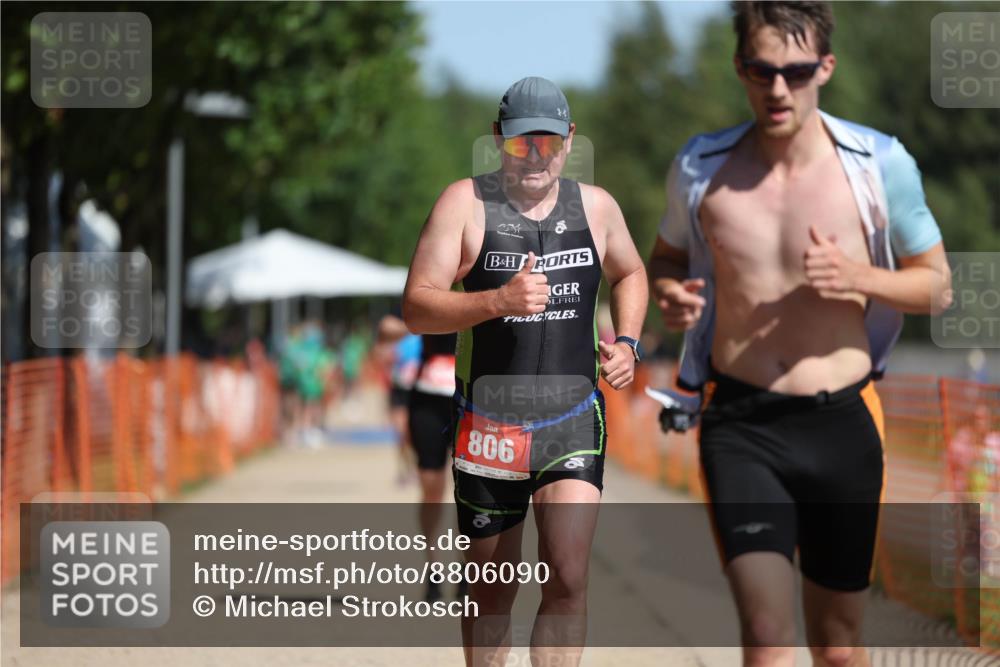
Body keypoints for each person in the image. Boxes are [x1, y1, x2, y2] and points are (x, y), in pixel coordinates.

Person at [648, 3, 951, 666]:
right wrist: (670, 292)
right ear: (740, 68)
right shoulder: (701, 169)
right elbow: (665, 258)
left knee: (838, 645)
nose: (778, 88)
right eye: (762, 70)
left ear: (826, 69)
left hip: (843, 420)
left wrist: (859, 275)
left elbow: (937, 285)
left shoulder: (878, 165)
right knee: (765, 635)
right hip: (741, 422)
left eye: (796, 71)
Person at [403, 76, 648, 667]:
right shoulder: (464, 203)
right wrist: (495, 302)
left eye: (546, 142)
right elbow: (416, 305)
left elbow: (631, 273)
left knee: (566, 573)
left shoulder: (598, 207)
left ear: (567, 141)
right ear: (497, 140)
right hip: (491, 421)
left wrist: (629, 344)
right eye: (519, 143)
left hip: (570, 418)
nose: (534, 155)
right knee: (491, 589)